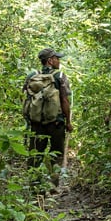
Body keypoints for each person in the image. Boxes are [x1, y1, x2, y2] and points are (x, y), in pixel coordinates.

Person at [24, 48, 72, 184]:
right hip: (56, 122)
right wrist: (68, 122)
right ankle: (54, 182)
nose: (59, 60)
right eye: (57, 58)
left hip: (36, 122)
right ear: (50, 61)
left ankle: (34, 184)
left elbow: (26, 98)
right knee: (56, 152)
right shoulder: (60, 76)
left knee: (35, 153)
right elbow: (64, 100)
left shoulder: (32, 75)